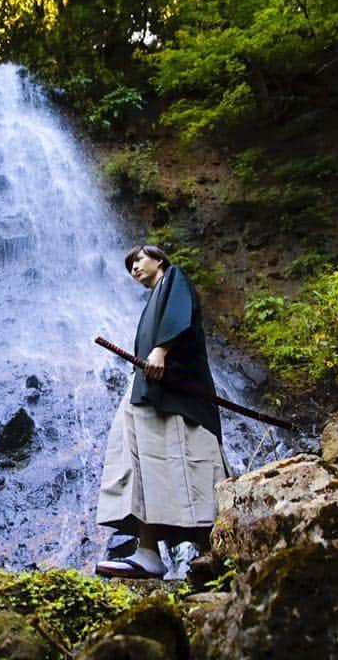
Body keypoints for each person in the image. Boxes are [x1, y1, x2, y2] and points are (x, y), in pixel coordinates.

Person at [95, 245, 228, 579]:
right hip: (152, 396)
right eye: (129, 266)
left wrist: (160, 349)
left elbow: (180, 316)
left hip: (179, 397)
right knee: (142, 462)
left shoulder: (175, 279)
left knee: (188, 460)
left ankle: (212, 549)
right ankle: (149, 552)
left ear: (159, 259)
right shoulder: (153, 299)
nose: (134, 268)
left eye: (139, 259)